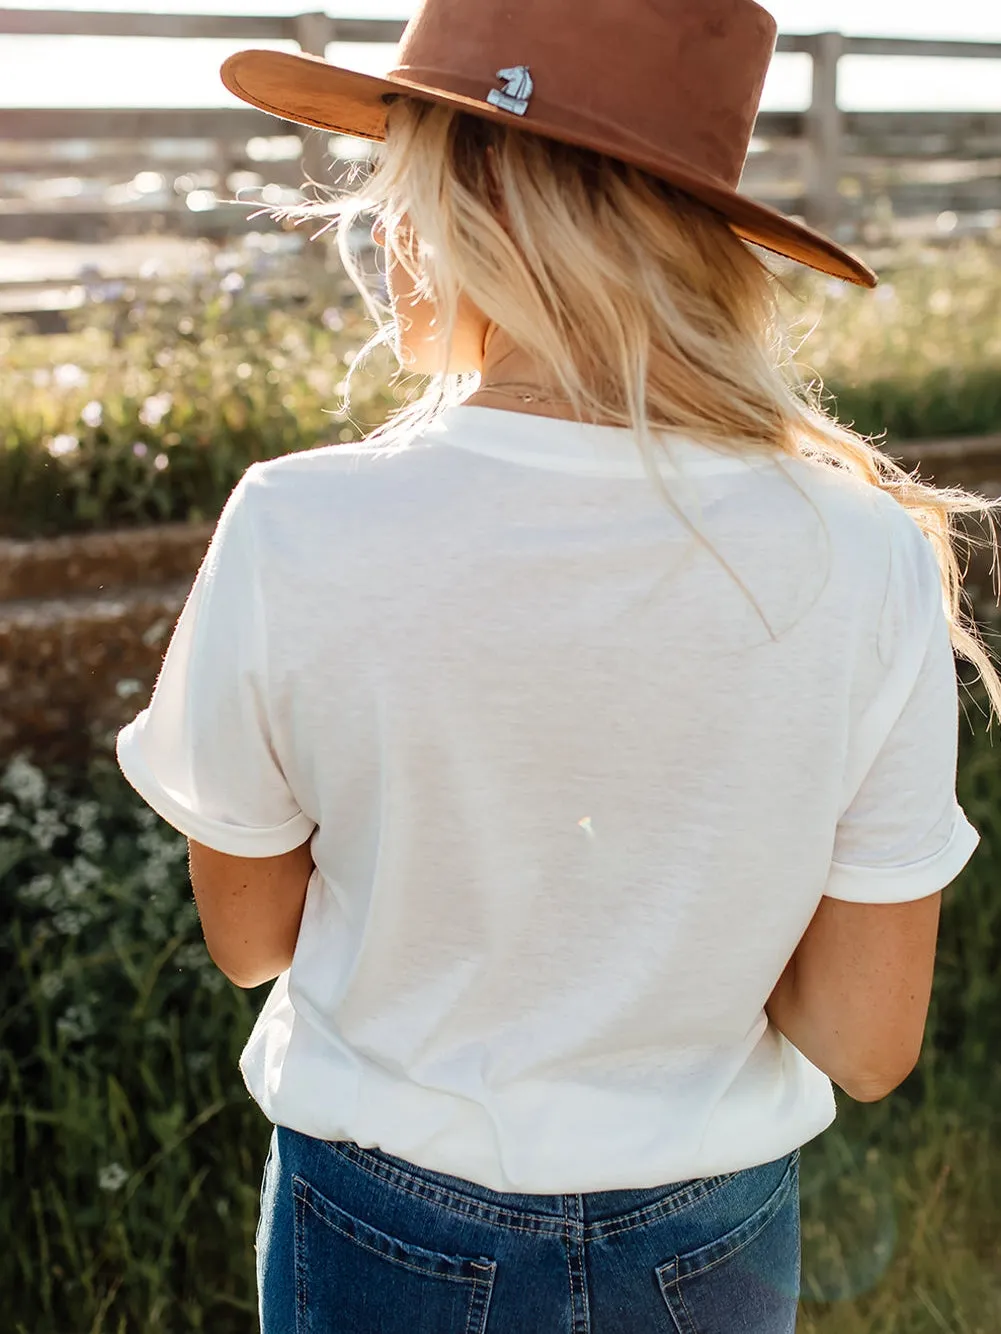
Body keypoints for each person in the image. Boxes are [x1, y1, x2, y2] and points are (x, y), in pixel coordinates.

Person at [117, 1, 1000, 1330]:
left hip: (382, 1216)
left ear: (462, 194)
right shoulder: (865, 551)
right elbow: (867, 1042)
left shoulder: (298, 523)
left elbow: (250, 939)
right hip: (713, 1238)